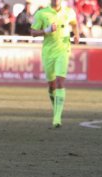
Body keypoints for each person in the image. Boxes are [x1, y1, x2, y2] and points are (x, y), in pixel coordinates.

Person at [30, 0, 80, 128]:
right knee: (52, 85)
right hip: (48, 53)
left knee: (59, 82)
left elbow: (74, 23)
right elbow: (33, 32)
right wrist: (46, 30)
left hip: (63, 51)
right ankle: (56, 108)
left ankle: (57, 118)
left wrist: (76, 34)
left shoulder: (68, 12)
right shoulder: (42, 13)